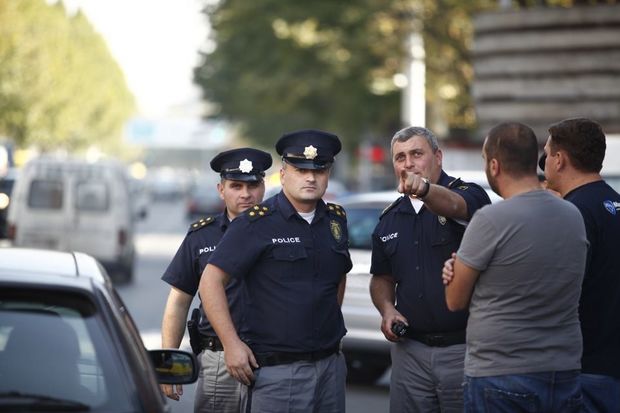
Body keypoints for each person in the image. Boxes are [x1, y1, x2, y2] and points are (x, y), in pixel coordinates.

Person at [199, 129, 351, 413]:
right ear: (282, 174)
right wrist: (231, 344)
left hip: (330, 366)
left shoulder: (336, 221)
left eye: (319, 170)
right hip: (279, 371)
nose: (310, 177)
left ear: (328, 173)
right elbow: (210, 281)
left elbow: (337, 277)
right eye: (300, 169)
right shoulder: (255, 223)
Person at [442, 121, 588, 412]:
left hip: (501, 374)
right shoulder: (572, 214)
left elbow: (455, 300)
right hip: (563, 371)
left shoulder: (490, 220)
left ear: (494, 166)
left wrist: (455, 272)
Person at [369, 126, 491, 412]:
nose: (408, 163)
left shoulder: (467, 194)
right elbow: (382, 278)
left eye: (416, 154)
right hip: (410, 352)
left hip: (464, 350)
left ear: (438, 156)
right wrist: (387, 309)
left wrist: (424, 190)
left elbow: (457, 206)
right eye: (400, 157)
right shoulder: (389, 218)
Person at [160, 148, 272, 412]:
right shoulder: (201, 236)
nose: (246, 194)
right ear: (221, 190)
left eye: (253, 185)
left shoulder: (281, 231)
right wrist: (169, 364)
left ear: (264, 186)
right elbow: (178, 301)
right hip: (219, 362)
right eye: (236, 186)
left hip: (274, 360)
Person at [540, 117, 620, 412]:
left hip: (583, 368)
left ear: (559, 160)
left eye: (547, 154)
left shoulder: (570, 213)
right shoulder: (614, 202)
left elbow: (556, 291)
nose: (544, 162)